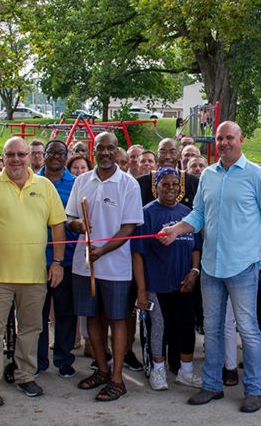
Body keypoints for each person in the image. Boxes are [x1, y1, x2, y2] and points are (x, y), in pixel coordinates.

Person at [160, 121, 261, 413]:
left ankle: (253, 390)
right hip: (211, 266)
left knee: (248, 330)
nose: (225, 143)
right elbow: (199, 213)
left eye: (230, 138)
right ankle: (212, 386)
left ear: (240, 139)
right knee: (213, 330)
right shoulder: (208, 175)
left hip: (242, 266)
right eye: (220, 138)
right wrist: (177, 230)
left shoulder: (257, 176)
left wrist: (250, 240)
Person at [0, 137, 66, 407]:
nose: (16, 159)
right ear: (3, 158)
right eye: (10, 155)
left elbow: (58, 227)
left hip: (33, 275)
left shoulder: (45, 187)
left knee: (31, 328)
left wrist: (58, 262)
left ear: (30, 156)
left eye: (21, 154)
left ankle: (25, 375)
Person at [66, 132, 144, 402]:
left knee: (117, 319)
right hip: (84, 264)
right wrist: (78, 225)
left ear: (116, 151)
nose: (106, 153)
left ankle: (117, 378)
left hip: (115, 266)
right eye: (101, 148)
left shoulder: (128, 184)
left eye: (111, 148)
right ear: (94, 150)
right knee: (92, 318)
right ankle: (101, 369)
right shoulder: (81, 181)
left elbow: (129, 227)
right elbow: (71, 218)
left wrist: (102, 250)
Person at [133, 167, 202, 390]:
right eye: (165, 184)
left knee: (185, 326)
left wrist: (194, 271)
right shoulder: (147, 213)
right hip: (157, 283)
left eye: (175, 184)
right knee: (159, 327)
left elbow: (195, 247)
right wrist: (141, 290)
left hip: (184, 283)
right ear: (156, 187)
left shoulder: (188, 213)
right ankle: (158, 370)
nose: (171, 188)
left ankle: (186, 371)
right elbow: (138, 253)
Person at [35, 140, 78, 379]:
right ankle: (39, 360)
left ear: (66, 156)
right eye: (50, 152)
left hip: (67, 259)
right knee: (37, 314)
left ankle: (64, 358)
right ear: (44, 155)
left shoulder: (75, 183)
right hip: (35, 258)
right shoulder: (32, 181)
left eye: (60, 153)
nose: (55, 157)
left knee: (65, 312)